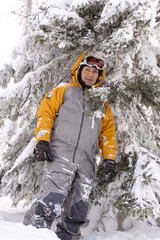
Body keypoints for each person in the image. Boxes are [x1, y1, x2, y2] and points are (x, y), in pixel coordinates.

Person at [23, 51, 117, 240]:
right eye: (87, 70)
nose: (90, 75)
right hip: (60, 155)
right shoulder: (62, 90)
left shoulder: (102, 104)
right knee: (50, 201)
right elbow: (45, 116)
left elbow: (108, 135)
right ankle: (29, 236)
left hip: (87, 161)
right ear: (79, 70)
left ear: (100, 76)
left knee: (79, 209)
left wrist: (109, 159)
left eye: (95, 72)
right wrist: (42, 141)